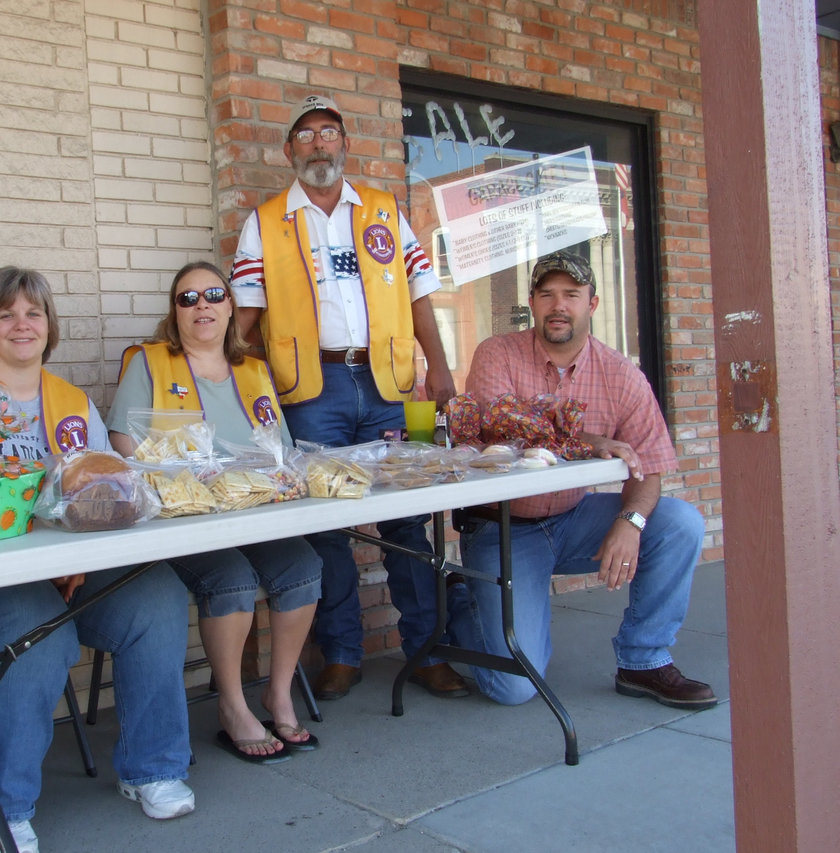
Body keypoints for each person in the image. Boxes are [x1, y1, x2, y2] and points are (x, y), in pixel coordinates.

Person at [0, 267, 194, 853]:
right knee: (40, 633)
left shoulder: (72, 404)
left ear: (50, 326)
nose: (21, 324)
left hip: (64, 577)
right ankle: (1, 809)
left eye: (33, 313)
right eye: (5, 313)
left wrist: (82, 550)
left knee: (158, 596)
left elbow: (111, 495)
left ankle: (154, 769)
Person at [230, 94, 466, 702]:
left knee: (409, 521)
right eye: (305, 135)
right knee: (324, 528)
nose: (318, 144)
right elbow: (245, 319)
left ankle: (427, 651)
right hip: (312, 391)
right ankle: (341, 653)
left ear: (344, 144)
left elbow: (418, 296)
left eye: (328, 133)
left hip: (389, 388)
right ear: (289, 152)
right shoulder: (267, 220)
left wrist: (437, 368)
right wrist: (231, 381)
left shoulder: (385, 211)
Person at [449, 250, 717, 709]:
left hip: (574, 518)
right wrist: (588, 439)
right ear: (531, 303)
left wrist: (630, 522)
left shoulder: (621, 374)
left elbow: (650, 464)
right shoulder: (497, 352)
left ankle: (644, 659)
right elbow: (500, 432)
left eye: (571, 294)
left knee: (678, 523)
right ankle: (460, 601)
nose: (559, 305)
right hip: (504, 528)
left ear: (591, 303)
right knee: (513, 688)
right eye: (547, 294)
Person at [108, 261, 323, 763]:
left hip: (252, 511)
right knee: (232, 577)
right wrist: (178, 473)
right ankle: (231, 705)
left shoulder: (254, 370)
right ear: (175, 313)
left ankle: (277, 692)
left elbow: (281, 450)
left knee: (303, 567)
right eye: (187, 298)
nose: (201, 305)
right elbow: (121, 442)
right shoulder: (149, 362)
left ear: (230, 307)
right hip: (186, 519)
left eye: (212, 295)